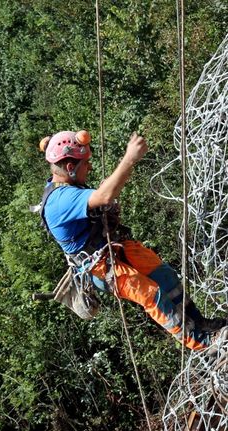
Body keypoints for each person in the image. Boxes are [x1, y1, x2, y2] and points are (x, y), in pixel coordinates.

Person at [38, 129, 225, 351]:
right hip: (101, 266)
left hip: (114, 249)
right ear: (70, 167)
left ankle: (199, 322)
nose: (89, 167)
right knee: (151, 294)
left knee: (166, 277)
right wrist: (130, 158)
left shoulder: (67, 187)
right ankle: (200, 342)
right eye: (85, 163)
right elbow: (104, 195)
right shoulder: (60, 200)